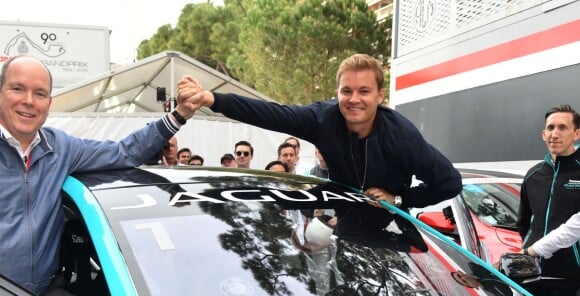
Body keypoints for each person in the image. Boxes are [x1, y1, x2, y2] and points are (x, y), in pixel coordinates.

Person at [0, 55, 196, 296]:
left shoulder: (61, 148)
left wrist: (178, 116)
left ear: (49, 103)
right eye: (17, 89)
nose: (28, 101)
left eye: (39, 93)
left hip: (47, 294)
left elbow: (125, 153)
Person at [178, 53, 462, 210]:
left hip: (390, 229)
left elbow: (450, 182)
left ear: (380, 96)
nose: (354, 99)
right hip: (341, 225)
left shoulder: (402, 136)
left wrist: (399, 200)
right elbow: (273, 114)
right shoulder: (322, 119)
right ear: (336, 93)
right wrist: (211, 100)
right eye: (346, 91)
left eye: (364, 91)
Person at [517, 104, 580, 296]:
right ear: (543, 134)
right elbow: (523, 223)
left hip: (571, 277)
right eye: (550, 128)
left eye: (562, 127)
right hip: (532, 273)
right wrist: (528, 252)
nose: (555, 134)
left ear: (577, 133)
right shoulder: (533, 175)